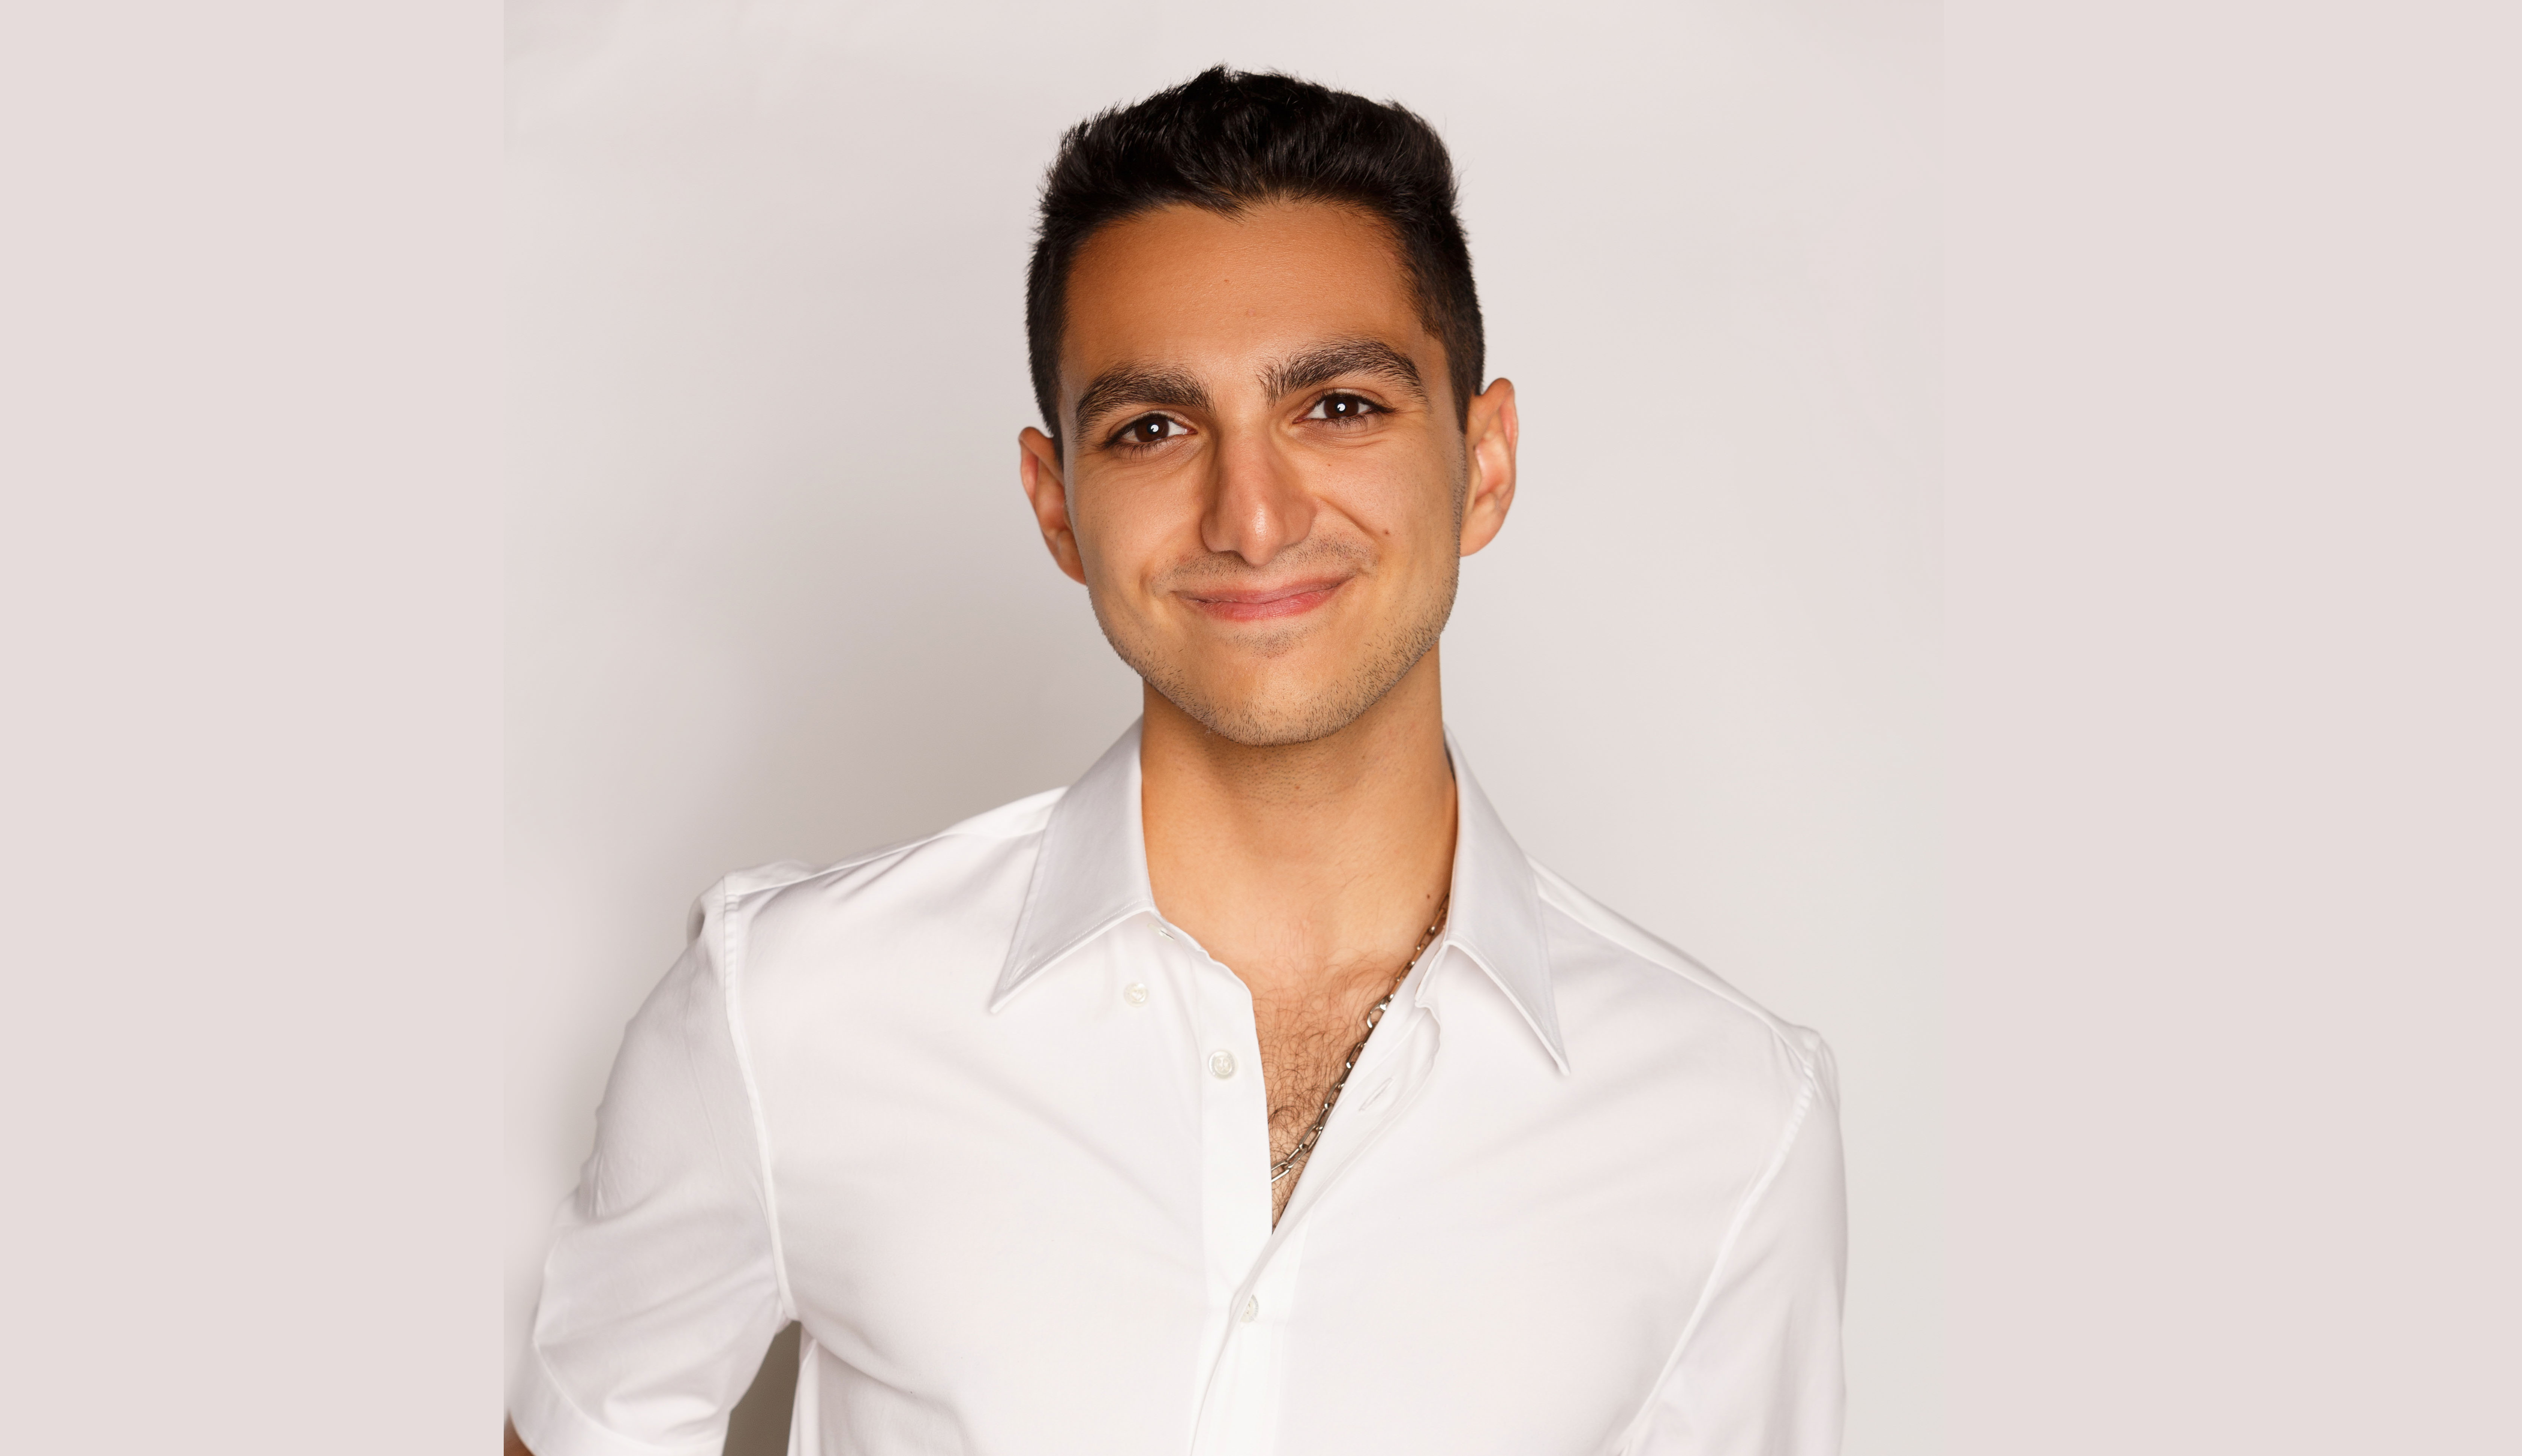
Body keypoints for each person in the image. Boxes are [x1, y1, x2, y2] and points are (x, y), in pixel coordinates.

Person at [507, 66, 1843, 1456]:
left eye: (1340, 406)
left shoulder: (1734, 1122)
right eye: (1153, 429)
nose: (1252, 518)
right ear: (1058, 506)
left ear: (1485, 460)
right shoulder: (784, 1009)